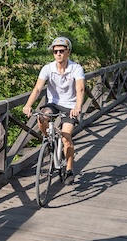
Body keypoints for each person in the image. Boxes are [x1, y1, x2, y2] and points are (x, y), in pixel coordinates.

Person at [22, 35, 85, 183]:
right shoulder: (48, 68)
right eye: (55, 51)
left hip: (70, 106)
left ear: (68, 52)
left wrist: (78, 107)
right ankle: (48, 139)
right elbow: (37, 88)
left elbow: (80, 89)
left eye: (61, 51)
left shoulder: (76, 68)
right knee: (42, 116)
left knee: (66, 137)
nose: (58, 54)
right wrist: (28, 105)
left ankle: (69, 169)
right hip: (53, 103)